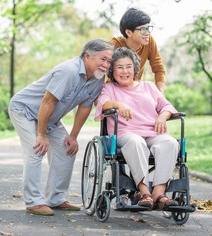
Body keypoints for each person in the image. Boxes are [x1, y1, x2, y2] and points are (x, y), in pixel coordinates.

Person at [9, 39, 113, 215]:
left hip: (50, 119)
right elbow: (48, 101)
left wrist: (73, 136)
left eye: (109, 61)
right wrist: (41, 135)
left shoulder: (97, 78)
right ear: (87, 56)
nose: (106, 65)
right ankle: (33, 202)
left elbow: (85, 106)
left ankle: (56, 199)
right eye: (103, 59)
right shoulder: (69, 71)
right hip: (24, 110)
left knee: (67, 149)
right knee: (37, 149)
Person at [95, 47, 178, 210]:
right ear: (112, 70)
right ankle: (144, 192)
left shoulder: (148, 86)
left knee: (170, 143)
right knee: (136, 142)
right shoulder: (110, 88)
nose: (124, 71)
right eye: (119, 67)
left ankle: (158, 193)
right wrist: (118, 104)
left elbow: (166, 105)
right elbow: (103, 104)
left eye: (128, 66)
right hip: (127, 134)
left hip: (152, 132)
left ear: (135, 69)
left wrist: (163, 115)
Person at [108, 8, 166, 94]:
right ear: (128, 32)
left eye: (148, 28)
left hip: (134, 91)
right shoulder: (113, 45)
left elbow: (158, 68)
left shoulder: (149, 41)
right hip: (113, 92)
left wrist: (160, 97)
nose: (147, 33)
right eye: (143, 30)